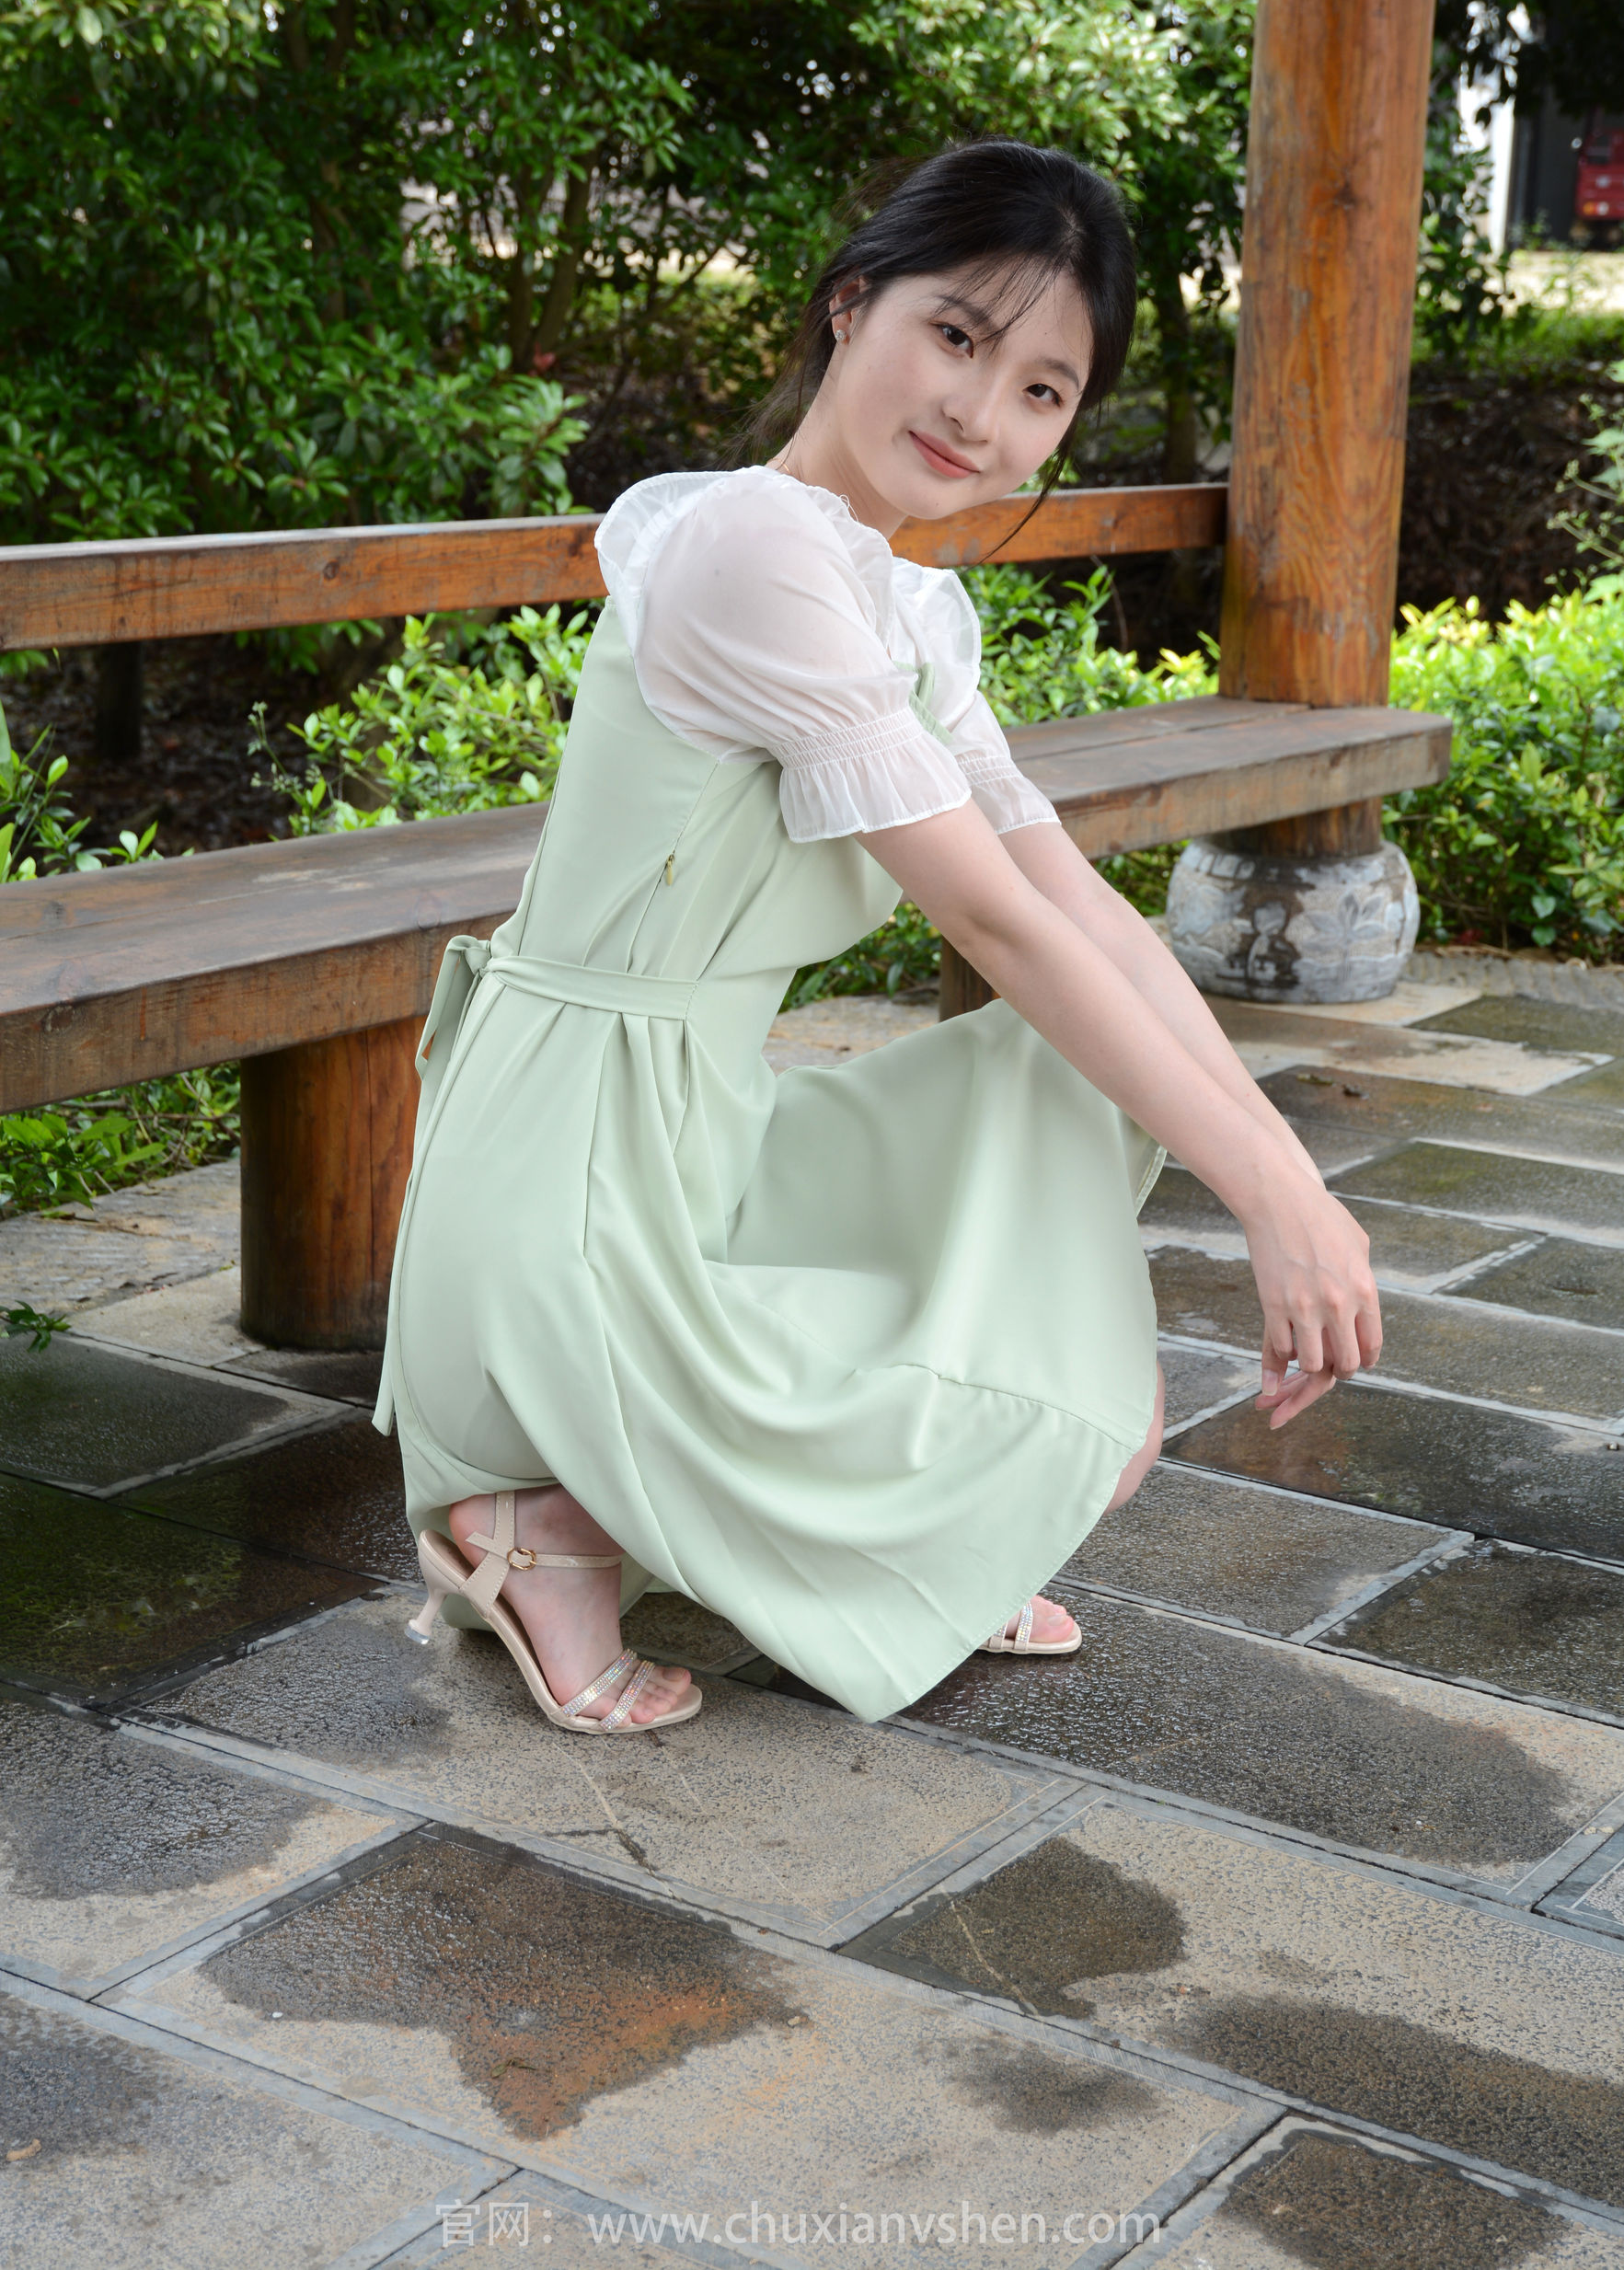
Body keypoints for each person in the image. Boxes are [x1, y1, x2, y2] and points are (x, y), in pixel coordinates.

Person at [375, 138, 1383, 1738]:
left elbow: (1075, 908)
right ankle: (537, 1518)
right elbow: (987, 915)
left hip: (703, 1128)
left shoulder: (901, 606)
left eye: (1043, 391)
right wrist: (1267, 1197)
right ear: (852, 306)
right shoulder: (752, 547)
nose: (982, 416)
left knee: (1063, 1098)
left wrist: (1292, 1181)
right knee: (1049, 1306)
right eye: (957, 336)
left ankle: (843, 1524)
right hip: (567, 1162)